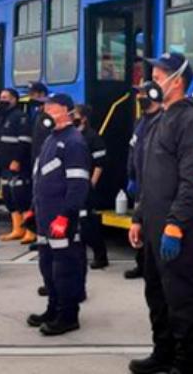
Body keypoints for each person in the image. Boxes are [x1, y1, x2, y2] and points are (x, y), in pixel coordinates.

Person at [128, 52, 193, 374]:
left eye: (158, 73)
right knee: (158, 291)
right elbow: (147, 175)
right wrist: (138, 217)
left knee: (185, 293)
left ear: (177, 81)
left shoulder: (192, 122)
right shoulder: (158, 120)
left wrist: (176, 225)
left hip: (181, 226)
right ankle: (163, 352)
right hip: (154, 223)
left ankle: (189, 362)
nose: (150, 80)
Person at [25, 93, 90, 336]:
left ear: (67, 110)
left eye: (51, 108)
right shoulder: (51, 139)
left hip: (61, 218)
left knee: (65, 268)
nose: (46, 112)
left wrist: (66, 215)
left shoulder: (73, 142)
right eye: (45, 108)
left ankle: (68, 315)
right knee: (48, 265)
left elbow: (78, 184)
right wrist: (34, 207)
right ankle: (53, 308)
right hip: (45, 216)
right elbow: (41, 177)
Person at [124, 81, 163, 281]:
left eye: (142, 93)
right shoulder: (140, 122)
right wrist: (131, 175)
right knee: (139, 225)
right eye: (137, 94)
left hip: (154, 185)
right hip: (139, 182)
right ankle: (142, 264)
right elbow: (134, 150)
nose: (139, 97)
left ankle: (152, 266)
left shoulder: (162, 121)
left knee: (151, 228)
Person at [74, 104, 109, 270]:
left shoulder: (92, 137)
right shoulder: (72, 135)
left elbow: (100, 163)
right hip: (73, 186)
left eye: (75, 114)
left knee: (88, 224)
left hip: (86, 186)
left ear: (84, 118)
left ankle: (100, 256)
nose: (72, 116)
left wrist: (92, 183)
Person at [0, 88, 33, 243]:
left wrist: (17, 160)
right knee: (8, 196)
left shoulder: (21, 117)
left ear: (14, 99)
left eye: (5, 97)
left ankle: (30, 230)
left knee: (21, 196)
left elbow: (24, 141)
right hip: (4, 164)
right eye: (1, 97)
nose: (2, 100)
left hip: (17, 164)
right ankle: (17, 229)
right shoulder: (3, 117)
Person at [23, 81, 53, 246]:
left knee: (43, 198)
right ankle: (37, 233)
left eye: (34, 94)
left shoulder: (47, 119)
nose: (31, 97)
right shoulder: (36, 114)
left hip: (45, 161)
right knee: (36, 198)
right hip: (37, 159)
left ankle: (42, 235)